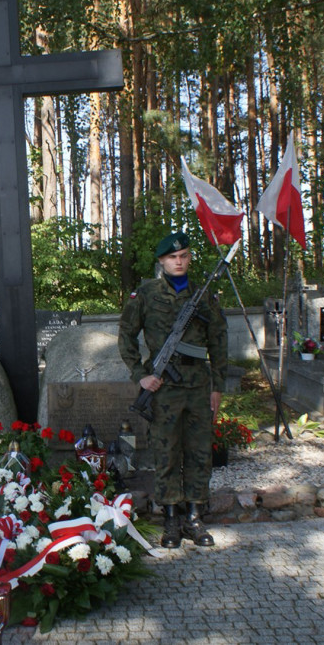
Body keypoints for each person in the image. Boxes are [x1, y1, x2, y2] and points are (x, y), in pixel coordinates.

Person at [118, 231, 228, 548]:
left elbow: (218, 342)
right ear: (162, 261)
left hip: (198, 385)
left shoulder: (204, 295)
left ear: (189, 259)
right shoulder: (147, 294)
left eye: (184, 256)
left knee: (198, 452)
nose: (178, 262)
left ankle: (194, 518)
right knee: (166, 452)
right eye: (172, 257)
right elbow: (125, 337)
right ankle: (169, 520)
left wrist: (217, 386)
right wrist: (141, 375)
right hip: (163, 386)